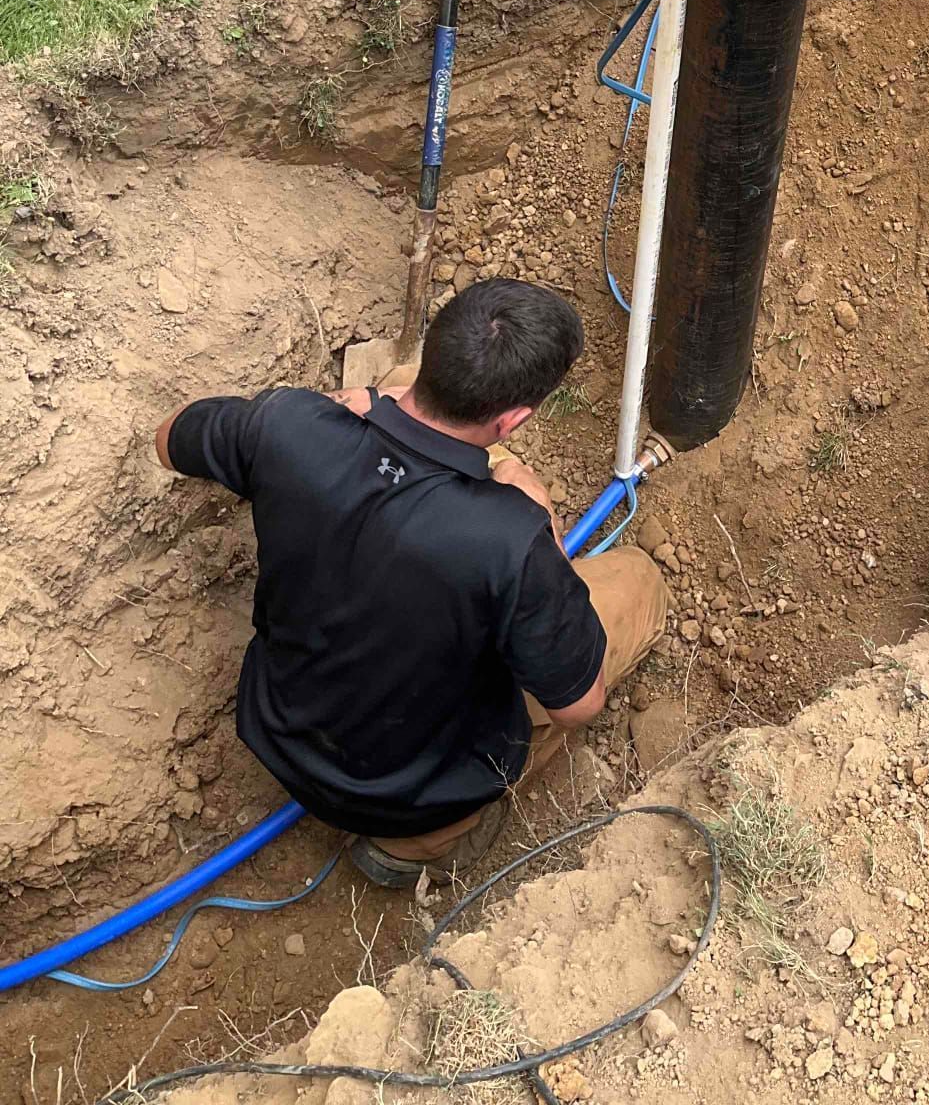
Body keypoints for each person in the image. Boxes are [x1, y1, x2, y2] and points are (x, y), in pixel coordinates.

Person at [154, 278, 667, 887]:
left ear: (436, 354)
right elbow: (579, 705)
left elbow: (167, 439)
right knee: (639, 579)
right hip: (404, 797)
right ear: (513, 420)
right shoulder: (511, 540)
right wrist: (543, 528)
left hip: (278, 733)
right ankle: (416, 848)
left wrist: (335, 412)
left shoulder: (287, 424)